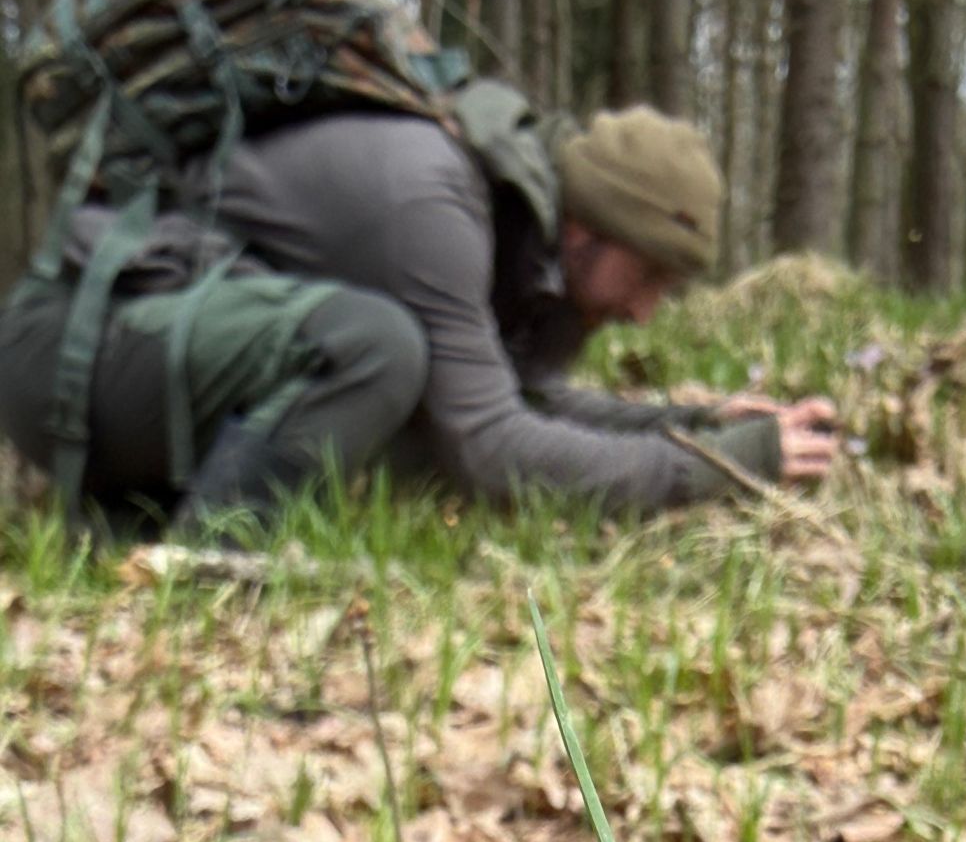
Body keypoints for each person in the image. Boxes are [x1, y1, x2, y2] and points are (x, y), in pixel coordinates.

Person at [0, 83, 838, 533]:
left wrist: (697, 427)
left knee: (399, 392)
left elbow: (524, 399)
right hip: (69, 350)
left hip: (152, 348)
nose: (648, 313)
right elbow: (492, 451)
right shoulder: (432, 208)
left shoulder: (520, 238)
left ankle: (133, 525)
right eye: (649, 278)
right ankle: (204, 566)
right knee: (381, 352)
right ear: (588, 230)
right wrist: (717, 472)